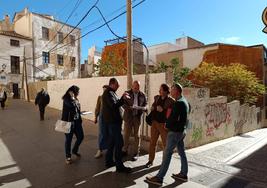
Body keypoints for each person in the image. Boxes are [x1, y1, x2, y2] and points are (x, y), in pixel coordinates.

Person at [146, 83, 190, 186]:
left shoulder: (178, 103)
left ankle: (159, 177)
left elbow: (172, 118)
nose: (171, 91)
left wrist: (166, 125)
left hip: (175, 132)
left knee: (167, 154)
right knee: (182, 153)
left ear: (177, 91)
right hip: (181, 131)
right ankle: (183, 174)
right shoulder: (184, 101)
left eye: (172, 89)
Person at [102, 77, 132, 173]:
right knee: (119, 143)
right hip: (113, 123)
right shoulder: (108, 93)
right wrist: (123, 98)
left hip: (114, 122)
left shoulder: (111, 92)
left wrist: (122, 99)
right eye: (117, 85)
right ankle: (119, 166)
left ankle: (109, 161)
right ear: (112, 84)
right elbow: (114, 105)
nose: (118, 86)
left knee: (112, 142)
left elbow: (116, 104)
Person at [145, 84, 174, 168]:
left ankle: (164, 162)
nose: (159, 91)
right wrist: (153, 108)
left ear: (165, 91)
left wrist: (163, 110)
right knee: (152, 143)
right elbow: (153, 105)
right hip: (154, 123)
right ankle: (150, 161)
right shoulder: (157, 98)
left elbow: (171, 113)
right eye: (159, 89)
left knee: (165, 144)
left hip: (163, 125)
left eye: (161, 90)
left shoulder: (171, 101)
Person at [122, 80, 147, 161]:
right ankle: (125, 149)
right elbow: (123, 104)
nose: (136, 89)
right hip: (128, 117)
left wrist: (145, 108)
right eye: (135, 87)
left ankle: (136, 152)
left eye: (138, 87)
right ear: (132, 86)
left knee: (137, 135)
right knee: (126, 134)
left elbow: (145, 104)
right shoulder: (127, 93)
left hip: (137, 117)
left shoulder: (142, 95)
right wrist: (129, 108)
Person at [62, 85, 84, 164]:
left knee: (81, 137)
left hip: (77, 122)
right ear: (73, 92)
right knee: (68, 140)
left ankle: (74, 150)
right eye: (77, 91)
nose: (78, 93)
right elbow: (72, 105)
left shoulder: (76, 99)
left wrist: (81, 114)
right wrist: (73, 98)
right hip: (69, 123)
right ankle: (68, 157)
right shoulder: (66, 99)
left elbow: (77, 109)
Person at [94, 85, 109, 158]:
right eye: (103, 89)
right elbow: (97, 108)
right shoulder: (100, 97)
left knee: (109, 134)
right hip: (102, 118)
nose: (104, 91)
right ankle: (100, 150)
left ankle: (109, 149)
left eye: (105, 90)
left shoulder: (111, 97)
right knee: (101, 133)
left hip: (109, 119)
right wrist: (95, 117)